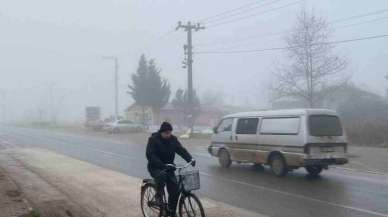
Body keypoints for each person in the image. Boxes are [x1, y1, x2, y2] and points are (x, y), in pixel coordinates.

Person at [146, 122, 196, 217]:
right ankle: (158, 196)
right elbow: (150, 154)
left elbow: (181, 150)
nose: (168, 135)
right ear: (161, 132)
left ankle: (171, 212)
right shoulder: (153, 139)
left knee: (175, 190)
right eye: (166, 133)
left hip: (169, 167)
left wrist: (190, 159)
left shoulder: (173, 140)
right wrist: (162, 165)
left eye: (170, 133)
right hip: (155, 167)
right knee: (162, 175)